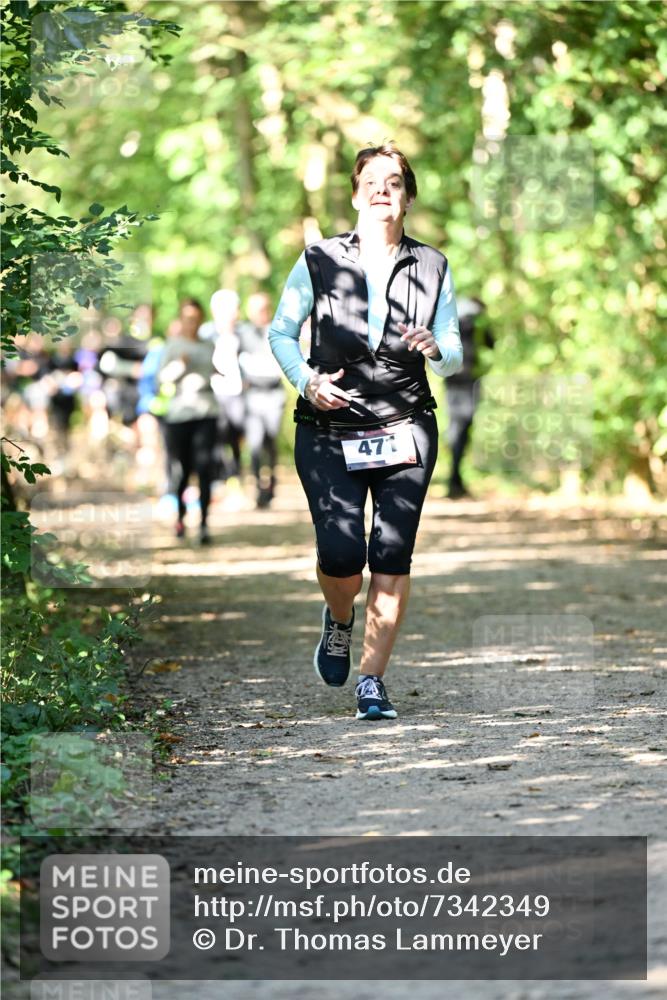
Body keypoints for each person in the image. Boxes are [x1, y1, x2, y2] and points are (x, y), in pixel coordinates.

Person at [269, 143, 463, 721]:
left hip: (407, 427)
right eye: (371, 181)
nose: (383, 188)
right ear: (355, 194)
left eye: (395, 181)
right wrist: (305, 381)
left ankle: (372, 682)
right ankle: (340, 619)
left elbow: (452, 351)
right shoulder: (318, 260)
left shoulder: (433, 266)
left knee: (392, 553)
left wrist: (437, 349)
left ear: (406, 198)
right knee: (341, 550)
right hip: (330, 427)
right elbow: (281, 333)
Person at [158, 298, 220, 545]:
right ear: (181, 320)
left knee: (205, 467)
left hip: (206, 410)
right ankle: (181, 518)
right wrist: (179, 366)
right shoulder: (173, 346)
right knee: (181, 470)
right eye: (187, 318)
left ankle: (204, 523)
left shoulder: (209, 345)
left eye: (196, 318)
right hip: (180, 412)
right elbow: (163, 379)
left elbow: (212, 369)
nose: (191, 323)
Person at [237, 292, 286, 508]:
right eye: (255, 309)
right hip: (252, 395)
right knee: (255, 443)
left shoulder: (278, 331)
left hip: (274, 394)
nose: (260, 313)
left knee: (270, 438)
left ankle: (272, 481)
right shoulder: (243, 333)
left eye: (263, 309)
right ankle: (259, 487)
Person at [445, 296, 494, 498]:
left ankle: (454, 480)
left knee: (456, 429)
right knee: (462, 430)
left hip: (452, 381)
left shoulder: (451, 319)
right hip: (468, 383)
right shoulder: (478, 322)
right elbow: (492, 344)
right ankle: (454, 480)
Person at [199, 289, 246, 485]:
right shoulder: (205, 333)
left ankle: (235, 476)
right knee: (215, 437)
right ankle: (217, 478)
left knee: (236, 435)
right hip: (213, 392)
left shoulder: (244, 332)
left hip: (238, 393)